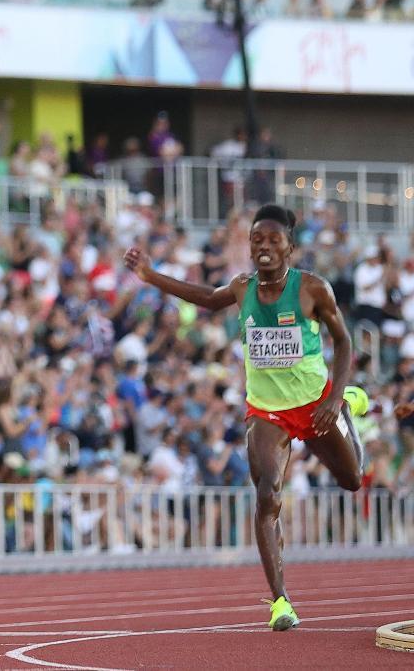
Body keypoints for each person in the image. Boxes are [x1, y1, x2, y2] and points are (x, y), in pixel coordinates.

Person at [124, 203, 368, 632]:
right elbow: (203, 297)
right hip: (266, 411)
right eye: (257, 241)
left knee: (351, 479)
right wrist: (149, 275)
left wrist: (333, 398)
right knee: (267, 495)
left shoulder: (313, 288)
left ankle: (349, 402)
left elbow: (344, 342)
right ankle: (279, 601)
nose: (264, 248)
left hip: (315, 404)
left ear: (290, 247)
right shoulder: (241, 288)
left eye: (273, 240)